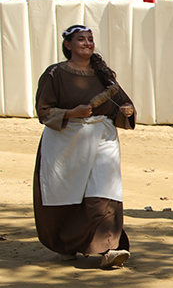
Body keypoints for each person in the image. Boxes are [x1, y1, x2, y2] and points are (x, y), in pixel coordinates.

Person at [33, 26, 137, 268]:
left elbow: (122, 103)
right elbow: (43, 111)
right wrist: (71, 113)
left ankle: (109, 248)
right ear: (68, 45)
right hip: (65, 142)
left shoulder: (104, 76)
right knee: (65, 194)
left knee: (105, 191)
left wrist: (127, 112)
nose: (88, 43)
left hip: (103, 137)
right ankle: (67, 244)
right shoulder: (54, 74)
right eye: (81, 39)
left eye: (90, 39)